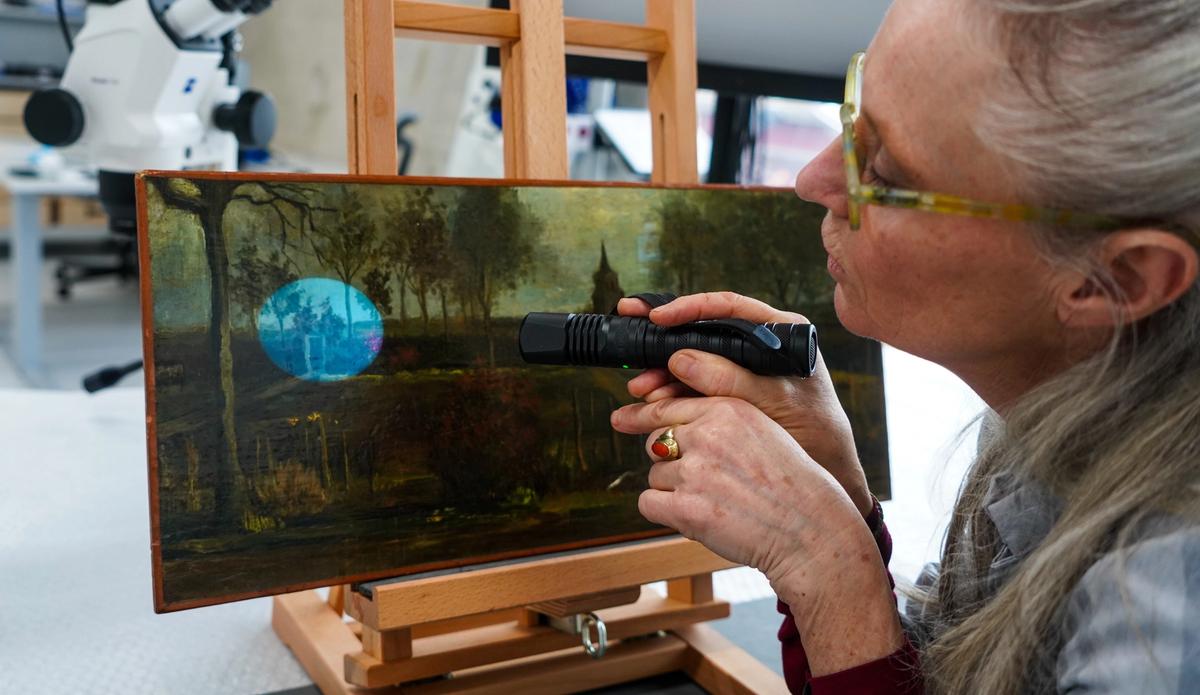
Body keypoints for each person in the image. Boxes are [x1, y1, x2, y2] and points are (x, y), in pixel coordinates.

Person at [609, 0, 1200, 692]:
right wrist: (841, 505)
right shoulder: (1052, 414)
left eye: (883, 175)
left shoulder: (1169, 594)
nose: (813, 181)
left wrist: (826, 566)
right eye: (851, 119)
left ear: (1116, 279)